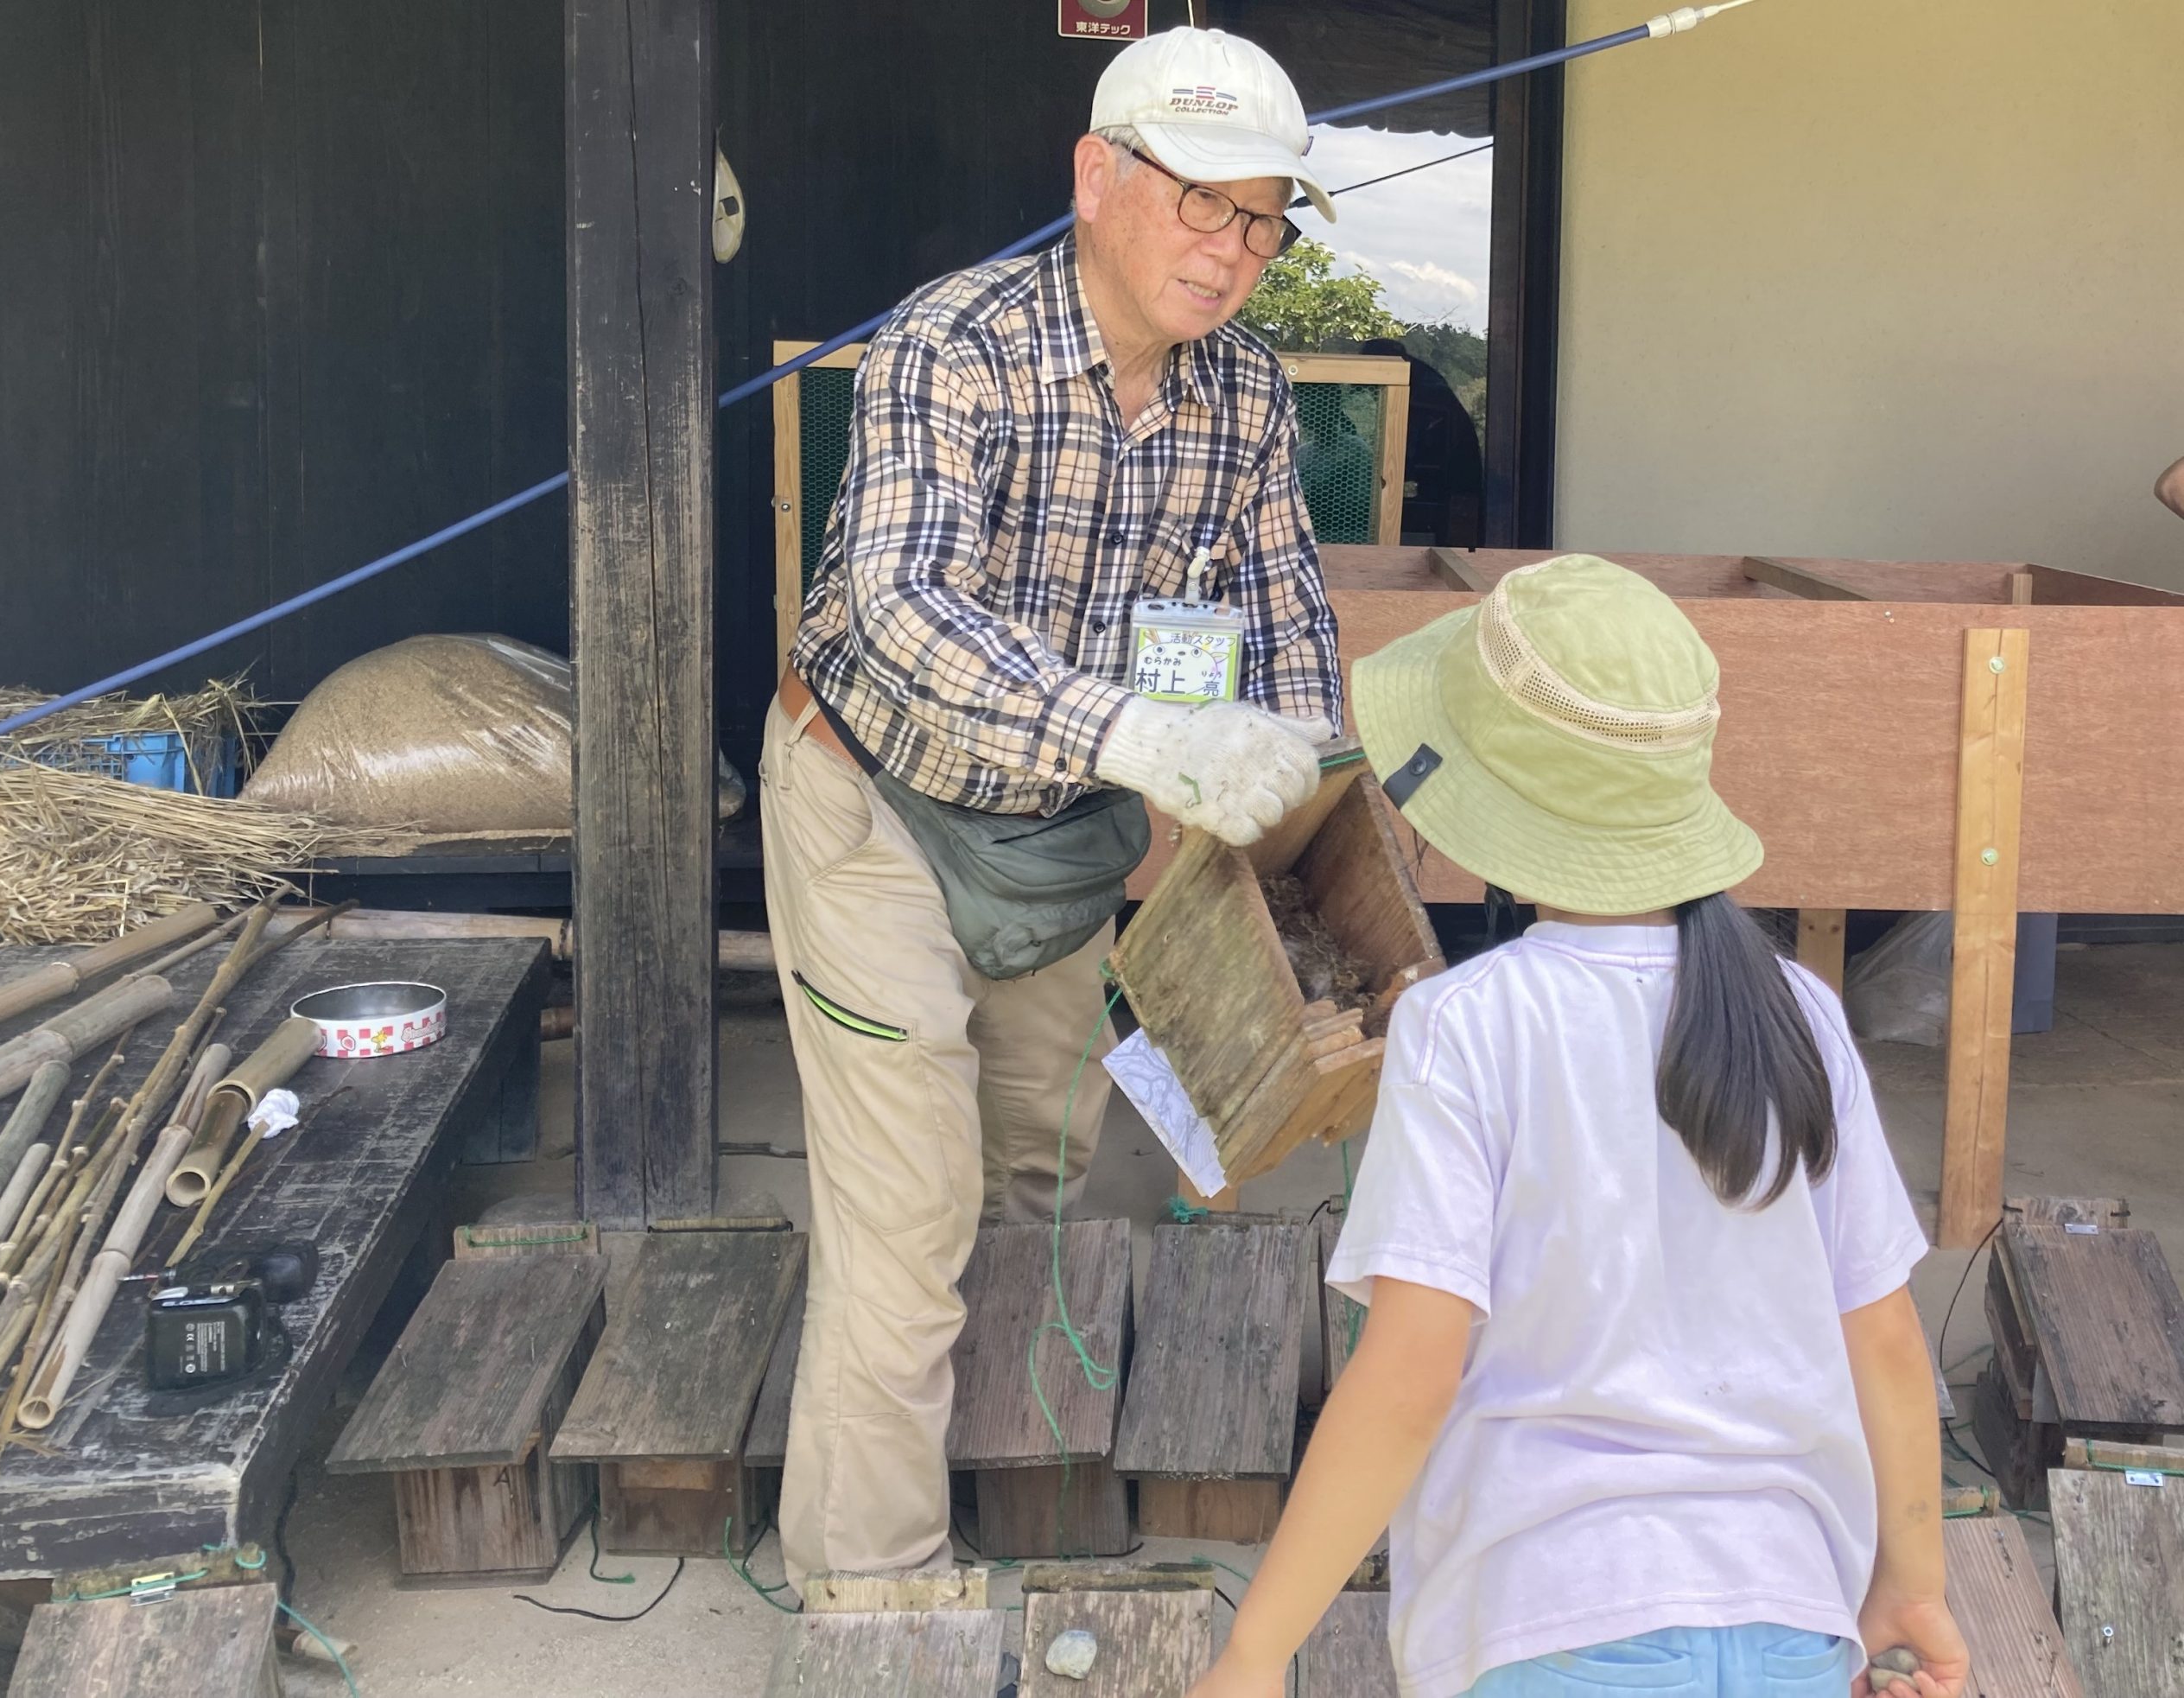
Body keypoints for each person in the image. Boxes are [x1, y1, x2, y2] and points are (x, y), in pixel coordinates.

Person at [762, 26, 1344, 1584]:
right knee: (909, 1222)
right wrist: (1141, 731)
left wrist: (1314, 796)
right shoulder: (959, 344)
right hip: (873, 801)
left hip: (1062, 830)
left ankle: (999, 1482)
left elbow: (1288, 630)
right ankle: (869, 1589)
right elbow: (891, 605)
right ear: (1099, 176)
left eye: (1261, 219)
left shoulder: (1247, 404)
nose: (1228, 254)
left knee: (1029, 1175)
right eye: (1198, 203)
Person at [1190, 556, 1971, 1698]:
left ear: (1482, 790)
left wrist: (1255, 1653)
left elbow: (1411, 1372)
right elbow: (1889, 1337)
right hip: (1792, 1622)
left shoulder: (1465, 1024)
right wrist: (1914, 1583)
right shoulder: (1798, 1007)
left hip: (1546, 1622)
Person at [1360, 335, 1483, 545]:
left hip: (1454, 491)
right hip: (1443, 484)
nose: (1371, 394)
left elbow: (1411, 453)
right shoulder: (1421, 381)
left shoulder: (1422, 391)